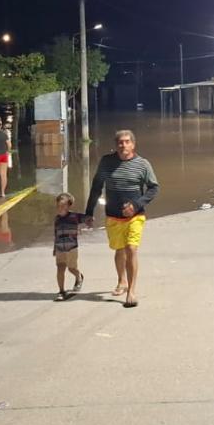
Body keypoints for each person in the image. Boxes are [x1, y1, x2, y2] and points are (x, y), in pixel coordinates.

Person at [84, 129, 159, 308]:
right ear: (116, 144)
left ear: (133, 144)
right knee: (119, 250)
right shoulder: (106, 162)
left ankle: (132, 291)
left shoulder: (142, 164)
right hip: (113, 216)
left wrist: (137, 204)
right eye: (120, 142)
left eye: (127, 142)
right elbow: (96, 187)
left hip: (135, 216)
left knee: (131, 249)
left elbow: (154, 188)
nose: (123, 145)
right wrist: (89, 212)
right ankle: (122, 281)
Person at [53, 193, 86, 301]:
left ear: (69, 206)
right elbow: (55, 233)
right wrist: (54, 247)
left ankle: (79, 276)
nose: (60, 208)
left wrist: (89, 220)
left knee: (71, 268)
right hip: (60, 248)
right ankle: (61, 291)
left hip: (72, 248)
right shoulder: (57, 219)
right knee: (60, 268)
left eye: (63, 206)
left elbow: (87, 218)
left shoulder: (75, 216)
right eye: (58, 206)